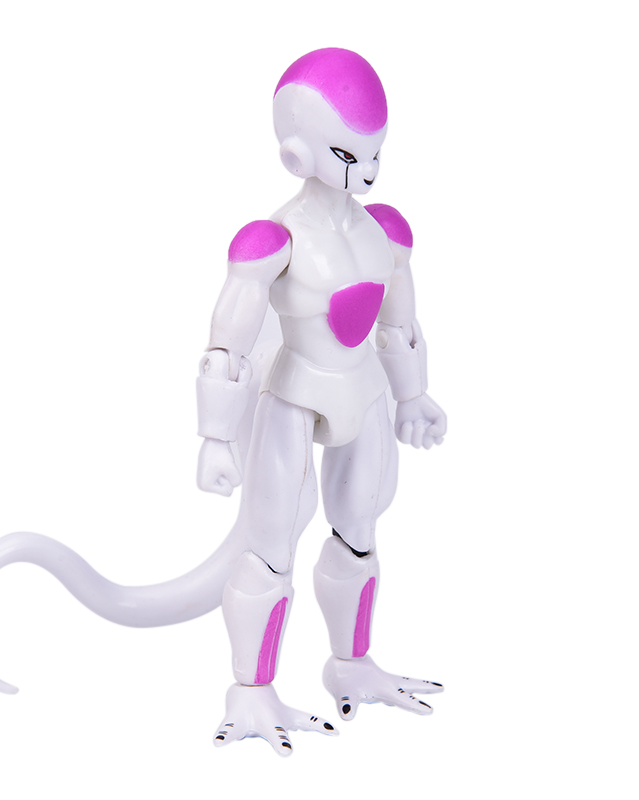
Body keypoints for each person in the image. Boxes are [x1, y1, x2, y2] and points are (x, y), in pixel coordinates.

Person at [196, 47, 447, 755]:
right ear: (296, 153)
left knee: (358, 535)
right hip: (294, 393)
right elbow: (227, 344)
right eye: (348, 154)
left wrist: (414, 396)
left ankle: (351, 663)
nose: (366, 172)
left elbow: (399, 323)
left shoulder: (385, 233)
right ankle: (250, 691)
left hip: (363, 393)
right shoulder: (272, 240)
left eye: (375, 154)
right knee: (270, 551)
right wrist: (215, 436)